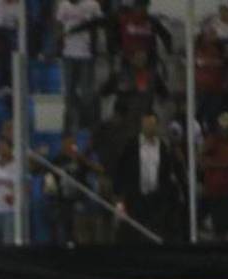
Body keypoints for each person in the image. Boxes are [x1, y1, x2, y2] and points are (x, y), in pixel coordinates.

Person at [113, 111, 179, 242]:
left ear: (157, 126)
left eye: (152, 124)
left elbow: (167, 172)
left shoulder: (163, 147)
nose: (149, 127)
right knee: (134, 233)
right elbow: (121, 170)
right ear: (141, 125)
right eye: (146, 124)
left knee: (155, 232)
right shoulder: (131, 146)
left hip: (157, 199)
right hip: (135, 197)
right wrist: (119, 196)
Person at [55, 0, 104, 134]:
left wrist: (94, 49)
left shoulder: (92, 5)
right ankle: (72, 124)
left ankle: (87, 123)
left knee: (87, 93)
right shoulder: (63, 5)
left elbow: (96, 25)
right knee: (69, 92)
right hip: (68, 54)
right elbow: (59, 25)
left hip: (86, 54)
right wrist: (59, 45)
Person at [199, 112, 228, 240]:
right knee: (220, 227)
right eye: (224, 127)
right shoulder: (212, 140)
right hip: (216, 191)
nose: (226, 130)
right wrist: (224, 165)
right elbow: (202, 161)